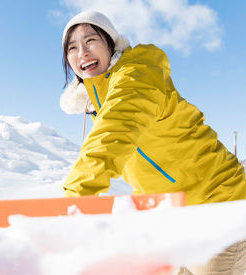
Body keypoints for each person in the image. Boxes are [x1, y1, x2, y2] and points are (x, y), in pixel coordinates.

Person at [59, 10, 246, 274]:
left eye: (91, 40)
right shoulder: (99, 104)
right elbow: (147, 166)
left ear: (111, 43)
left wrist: (72, 201)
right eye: (72, 47)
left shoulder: (137, 76)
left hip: (219, 206)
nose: (83, 53)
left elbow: (113, 137)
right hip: (172, 218)